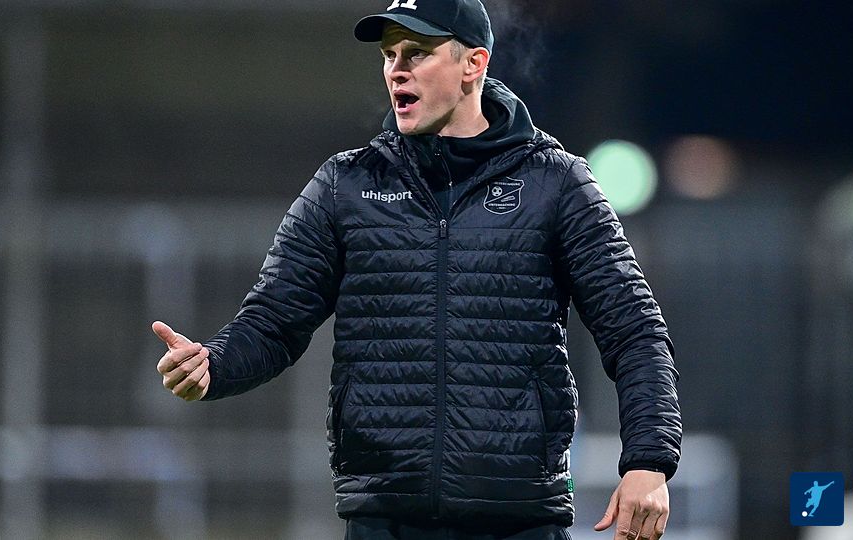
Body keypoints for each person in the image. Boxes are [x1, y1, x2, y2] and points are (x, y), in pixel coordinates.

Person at [153, 1, 682, 538]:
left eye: (418, 54)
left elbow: (634, 331)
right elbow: (272, 322)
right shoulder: (345, 185)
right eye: (389, 55)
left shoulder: (556, 184)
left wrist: (649, 460)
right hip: (384, 516)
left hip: (517, 518)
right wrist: (213, 364)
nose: (396, 70)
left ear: (474, 63)